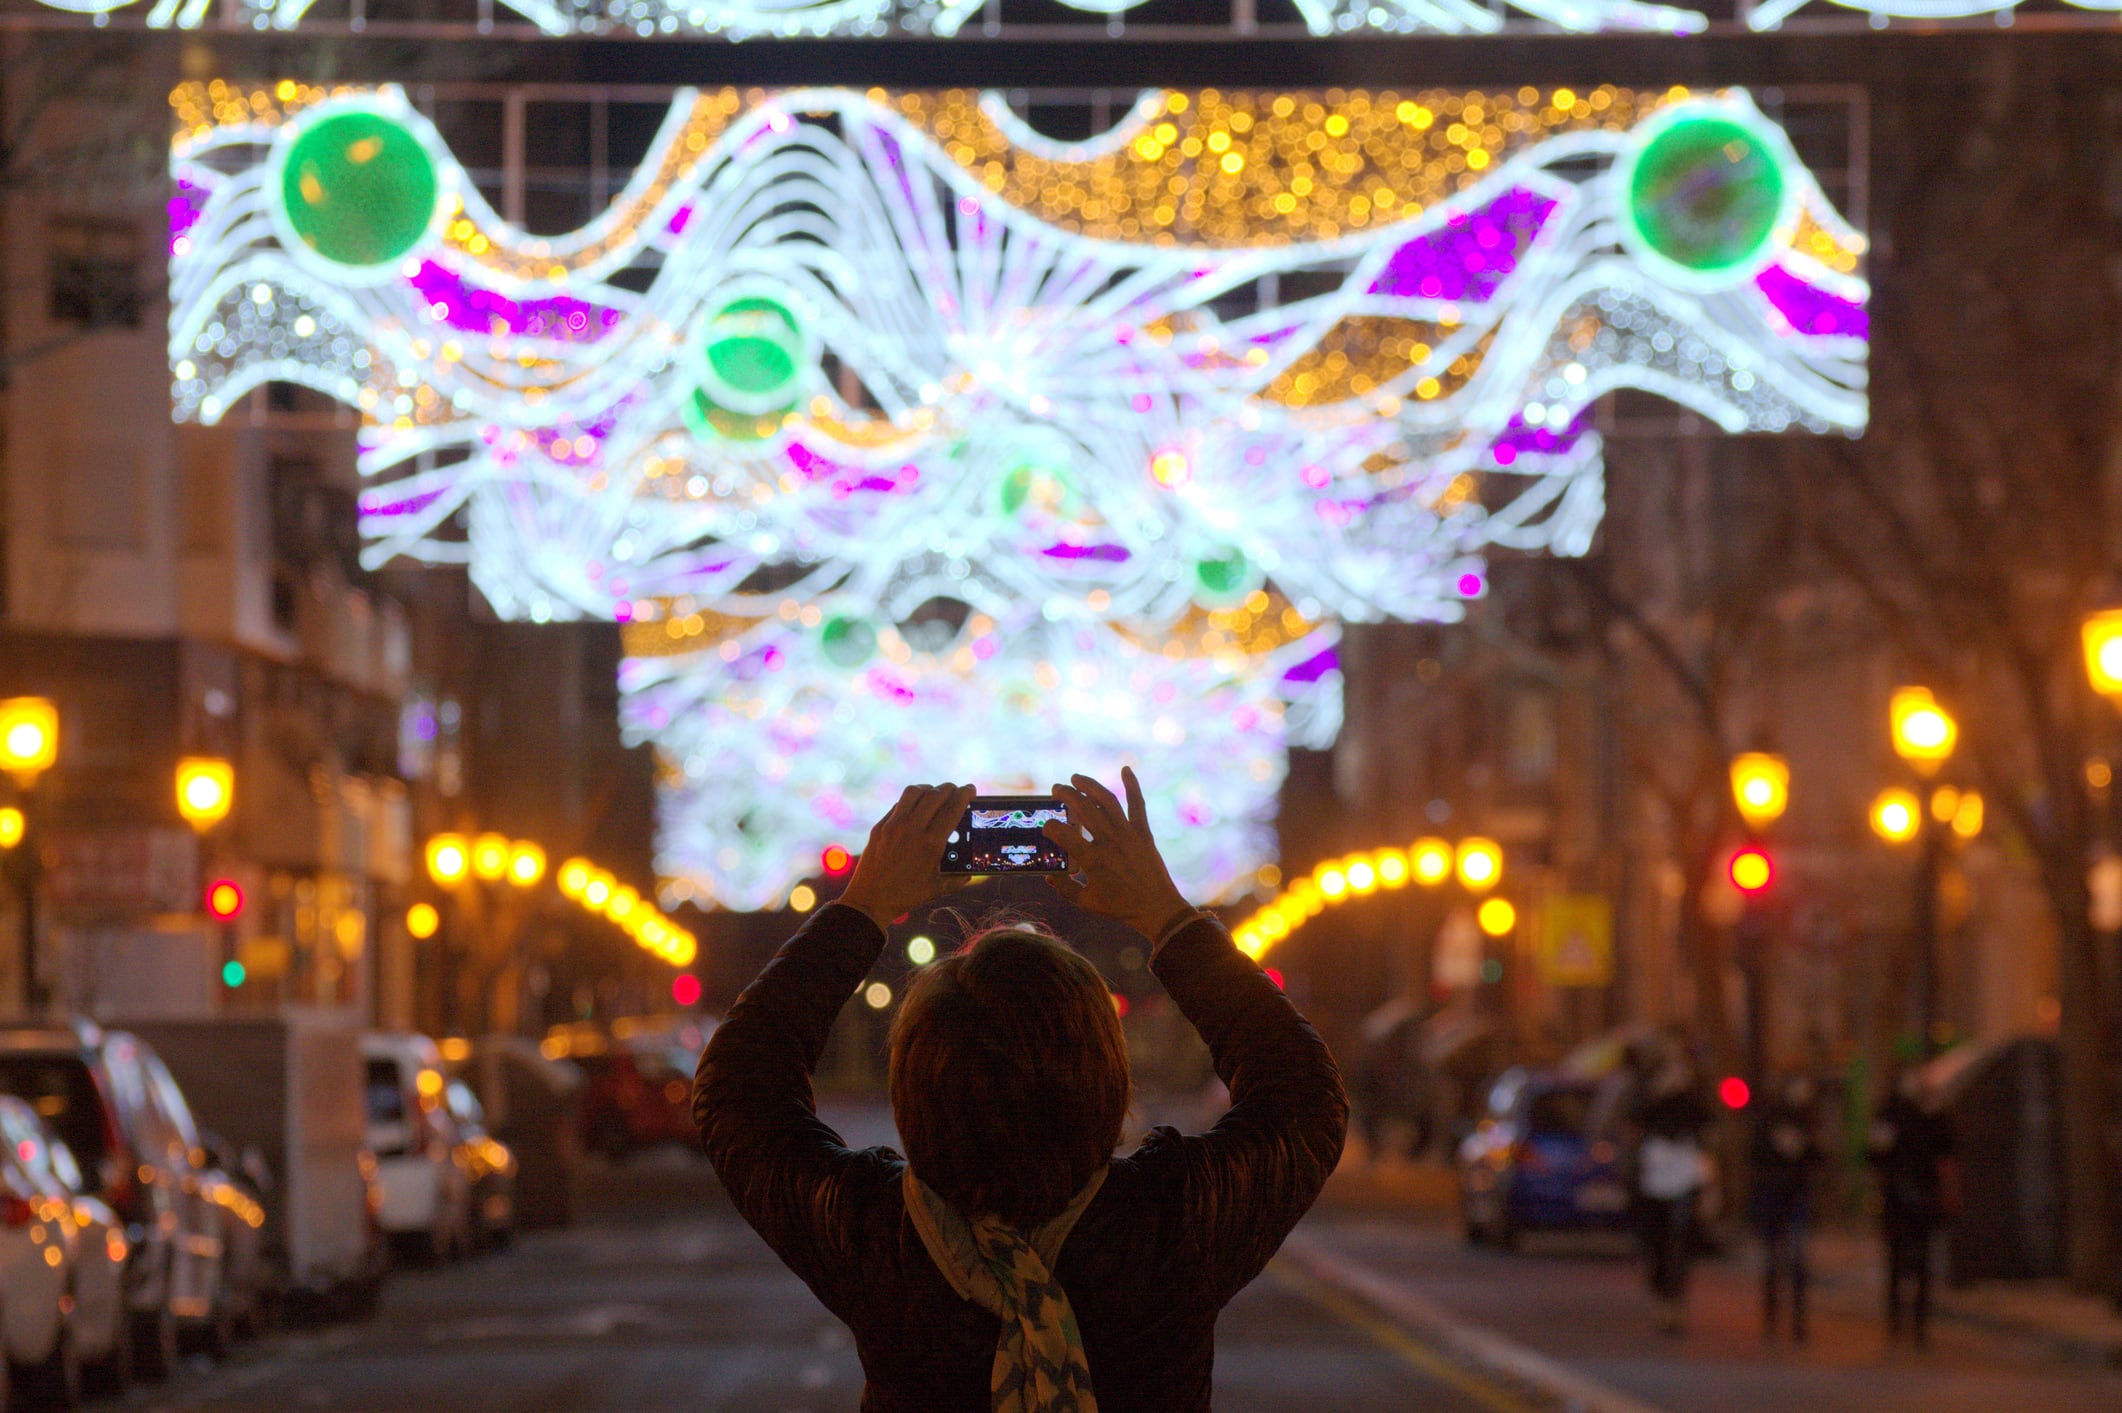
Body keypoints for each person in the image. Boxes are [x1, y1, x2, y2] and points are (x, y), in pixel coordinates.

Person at [694, 771, 1349, 1412]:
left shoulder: (880, 1239)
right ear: (1107, 1083)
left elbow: (736, 1089)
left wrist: (860, 908)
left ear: (914, 1095)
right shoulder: (1170, 1228)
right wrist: (1166, 914)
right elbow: (1305, 1094)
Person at [1869, 1071, 1954, 1348]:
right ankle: (1899, 1320)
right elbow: (1875, 1153)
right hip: (1897, 1198)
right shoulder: (1889, 1114)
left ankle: (1918, 1323)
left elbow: (1948, 1149)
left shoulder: (1931, 1115)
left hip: (1923, 1198)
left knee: (1921, 1263)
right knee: (1898, 1261)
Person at [1631, 1059, 1711, 1335]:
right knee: (1658, 1245)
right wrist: (1657, 1092)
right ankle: (1662, 1303)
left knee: (1680, 1244)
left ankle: (1675, 1306)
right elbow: (1636, 1117)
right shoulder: (1651, 1099)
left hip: (1683, 1179)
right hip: (1655, 1180)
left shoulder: (1691, 1103)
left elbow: (1705, 1121)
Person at [1749, 1074, 1821, 1343]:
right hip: (1773, 1196)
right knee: (1774, 1261)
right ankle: (1771, 1321)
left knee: (1798, 1260)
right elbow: (1755, 1154)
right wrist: (1778, 1147)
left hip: (1798, 1197)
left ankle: (1798, 1323)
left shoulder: (1809, 1120)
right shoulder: (1770, 1117)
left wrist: (1804, 1147)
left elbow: (1818, 1158)